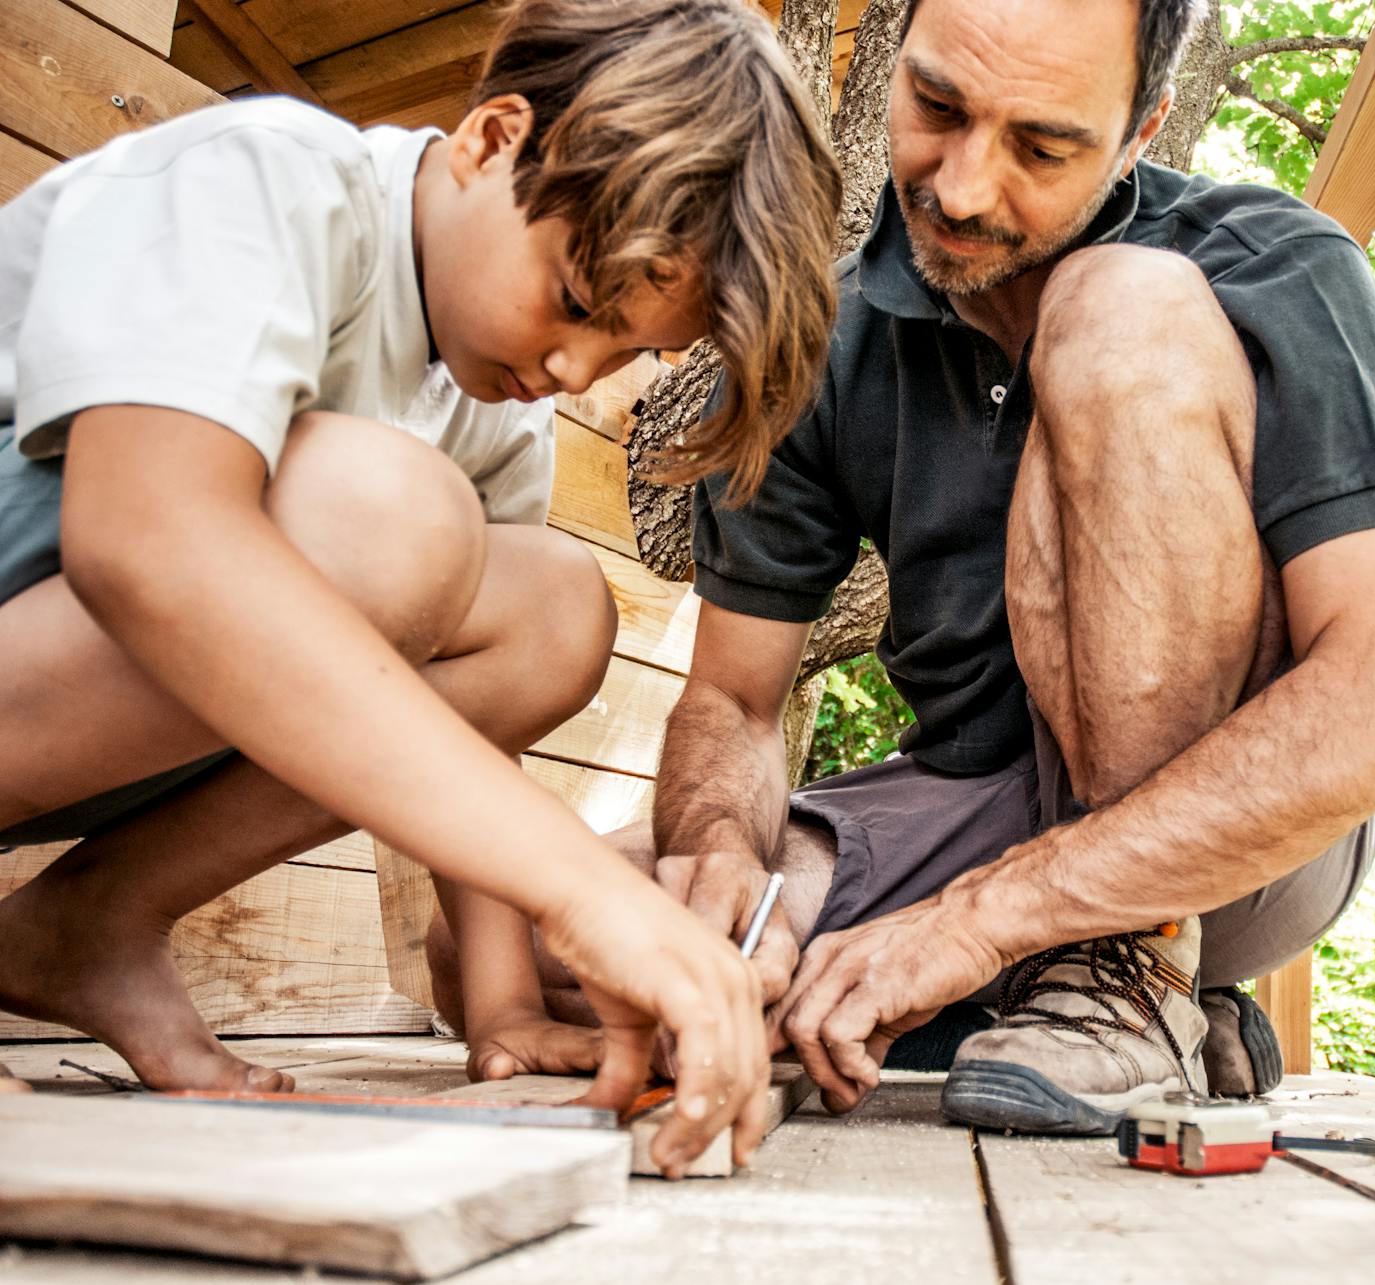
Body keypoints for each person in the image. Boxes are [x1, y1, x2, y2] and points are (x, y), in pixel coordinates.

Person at [468, 0, 1375, 1135]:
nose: (966, 187)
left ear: (1141, 132)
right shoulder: (825, 334)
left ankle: (1132, 972)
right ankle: (989, 1009)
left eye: (1042, 146)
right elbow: (733, 700)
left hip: (1233, 837)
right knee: (559, 939)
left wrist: (979, 919)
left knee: (1112, 301)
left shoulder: (1282, 264)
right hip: (973, 807)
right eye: (936, 106)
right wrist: (721, 860)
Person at [0, 0, 840, 1174]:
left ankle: (91, 923)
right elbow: (146, 538)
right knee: (389, 516)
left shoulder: (487, 398)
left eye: (627, 354)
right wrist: (583, 892)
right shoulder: (272, 176)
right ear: (493, 138)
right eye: (578, 304)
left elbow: (453, 718)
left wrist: (498, 1005)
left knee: (552, 610)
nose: (571, 369)